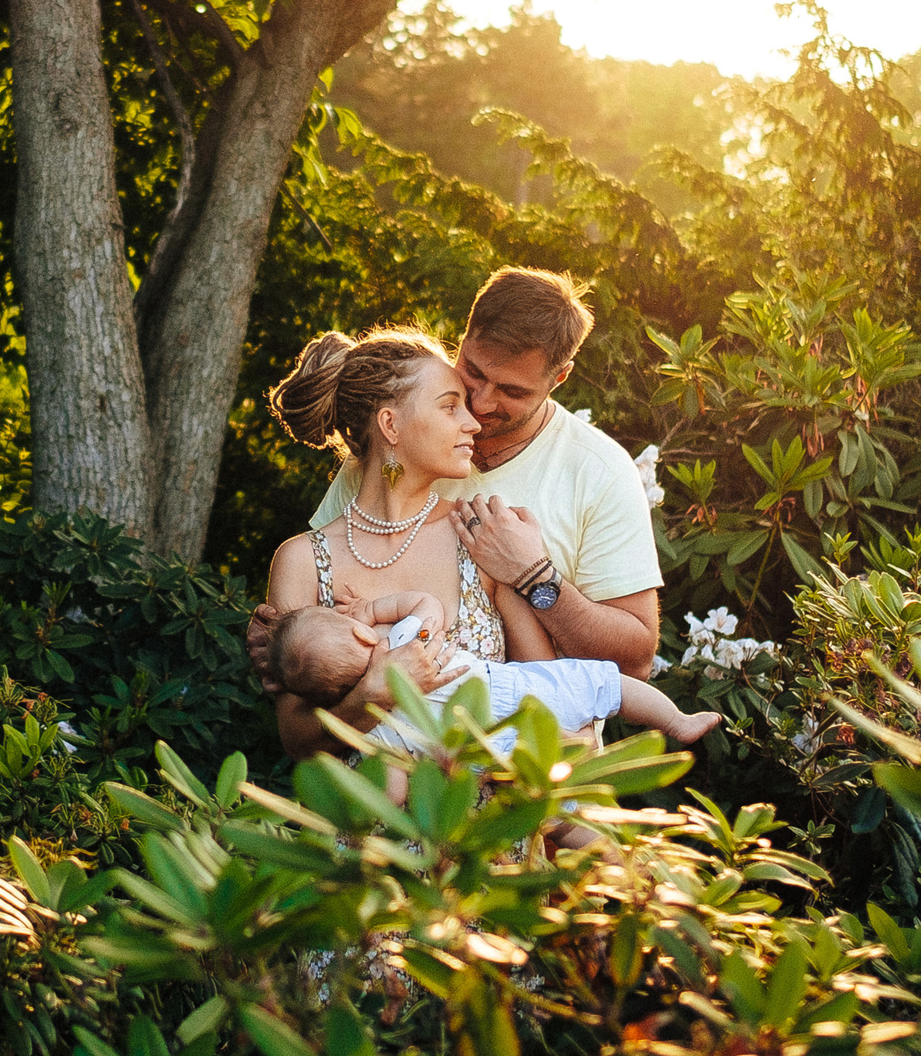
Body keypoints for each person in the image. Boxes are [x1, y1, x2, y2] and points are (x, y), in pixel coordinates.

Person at [302, 267, 662, 676]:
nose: (482, 404)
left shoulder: (599, 472)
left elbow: (636, 663)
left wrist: (534, 577)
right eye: (474, 371)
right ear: (464, 338)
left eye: (513, 391)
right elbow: (319, 578)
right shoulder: (401, 440)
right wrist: (289, 635)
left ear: (559, 378)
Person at [255, 325, 547, 761]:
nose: (472, 423)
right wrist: (374, 691)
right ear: (391, 424)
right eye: (451, 406)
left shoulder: (481, 536)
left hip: (484, 820)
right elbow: (298, 742)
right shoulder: (301, 560)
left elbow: (544, 689)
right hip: (368, 823)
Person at [261, 594, 721, 756]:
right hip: (523, 690)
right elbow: (429, 605)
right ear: (364, 636)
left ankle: (612, 867)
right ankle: (677, 721)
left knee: (562, 815)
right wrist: (376, 609)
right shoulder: (405, 641)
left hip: (492, 755)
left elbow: (397, 787)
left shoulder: (382, 729)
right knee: (609, 684)